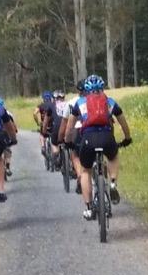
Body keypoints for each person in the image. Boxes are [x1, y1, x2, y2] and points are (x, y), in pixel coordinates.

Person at [64, 74, 132, 220]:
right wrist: (127, 138)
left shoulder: (80, 103)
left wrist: (67, 141)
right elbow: (123, 123)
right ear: (102, 88)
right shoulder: (110, 102)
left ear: (86, 90)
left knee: (85, 171)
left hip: (88, 139)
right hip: (107, 138)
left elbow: (70, 126)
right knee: (113, 157)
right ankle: (112, 183)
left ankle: (89, 208)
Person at [48, 89, 71, 169]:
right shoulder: (69, 103)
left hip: (57, 127)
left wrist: (43, 130)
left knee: (54, 143)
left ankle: (56, 154)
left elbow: (46, 121)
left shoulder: (52, 105)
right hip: (69, 127)